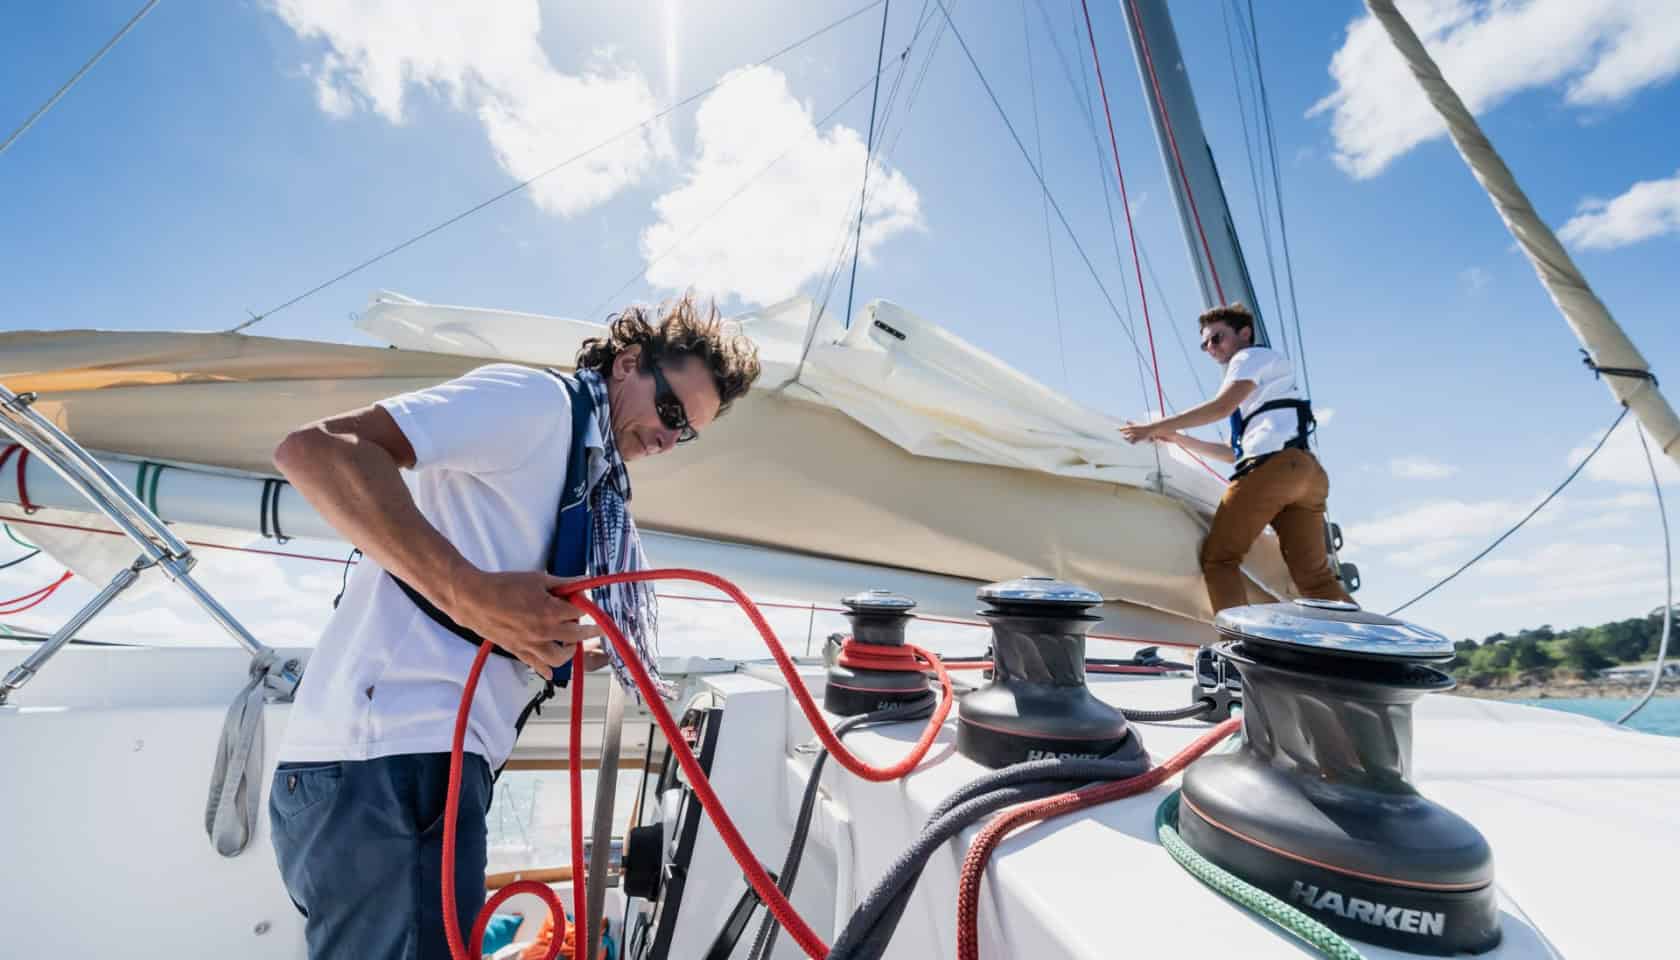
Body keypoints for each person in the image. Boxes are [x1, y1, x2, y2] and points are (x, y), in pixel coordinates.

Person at [267, 293, 761, 959]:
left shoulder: (584, 477)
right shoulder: (537, 405)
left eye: (687, 431)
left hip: (418, 764)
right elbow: (318, 450)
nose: (670, 439)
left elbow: (497, 597)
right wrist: (469, 595)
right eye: (671, 411)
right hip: (388, 760)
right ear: (627, 363)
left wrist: (545, 647)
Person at [1120, 302, 1351, 614]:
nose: (1210, 347)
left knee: (1220, 560)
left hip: (1273, 469)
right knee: (1315, 580)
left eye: (1217, 338)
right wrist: (1178, 439)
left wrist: (1153, 427)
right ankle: (1381, 649)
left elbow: (1221, 407)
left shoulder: (1248, 357)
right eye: (1204, 343)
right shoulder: (1265, 386)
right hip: (1305, 474)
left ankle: (1237, 648)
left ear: (1244, 333)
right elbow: (1232, 454)